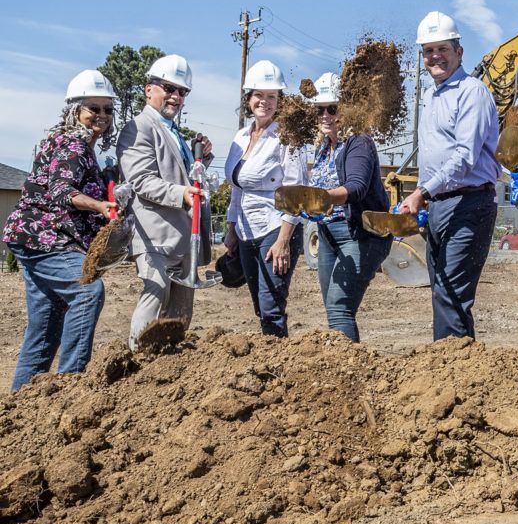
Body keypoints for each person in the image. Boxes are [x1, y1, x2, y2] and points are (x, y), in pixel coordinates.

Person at [3, 71, 118, 389]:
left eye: (108, 109)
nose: (102, 116)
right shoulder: (72, 144)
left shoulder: (77, 146)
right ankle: (70, 385)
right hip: (47, 240)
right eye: (94, 108)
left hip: (30, 240)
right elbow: (61, 191)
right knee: (87, 290)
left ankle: (16, 411)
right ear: (75, 110)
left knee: (45, 328)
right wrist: (99, 206)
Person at [398, 11, 501, 340]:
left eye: (442, 48)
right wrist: (422, 195)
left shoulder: (473, 93)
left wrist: (420, 193)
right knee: (442, 291)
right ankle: (457, 369)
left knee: (451, 294)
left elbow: (465, 157)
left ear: (459, 52)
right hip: (439, 206)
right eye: (428, 51)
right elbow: (431, 157)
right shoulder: (429, 97)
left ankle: (449, 371)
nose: (434, 57)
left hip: (470, 204)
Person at [117, 54, 214, 350]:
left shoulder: (174, 132)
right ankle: (138, 359)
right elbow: (142, 181)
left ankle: (170, 371)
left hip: (183, 238)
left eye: (181, 92)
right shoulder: (138, 128)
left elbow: (182, 176)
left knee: (181, 314)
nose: (175, 96)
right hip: (155, 237)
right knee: (154, 299)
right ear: (149, 89)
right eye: (169, 88)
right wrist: (181, 195)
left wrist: (203, 158)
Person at [306, 71, 392, 342]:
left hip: (358, 235)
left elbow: (356, 187)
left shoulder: (358, 143)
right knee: (336, 310)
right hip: (328, 236)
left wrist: (322, 198)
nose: (325, 115)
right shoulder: (323, 148)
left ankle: (351, 372)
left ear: (349, 109)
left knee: (339, 308)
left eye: (333, 108)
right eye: (320, 110)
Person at [223, 59, 305, 337]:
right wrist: (232, 228)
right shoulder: (241, 136)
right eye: (259, 95)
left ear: (280, 101)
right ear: (248, 98)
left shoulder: (287, 137)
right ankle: (270, 354)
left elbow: (295, 191)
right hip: (246, 230)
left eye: (272, 96)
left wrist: (283, 241)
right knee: (259, 303)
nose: (265, 102)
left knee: (271, 305)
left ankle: (279, 365)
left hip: (275, 227)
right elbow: (237, 187)